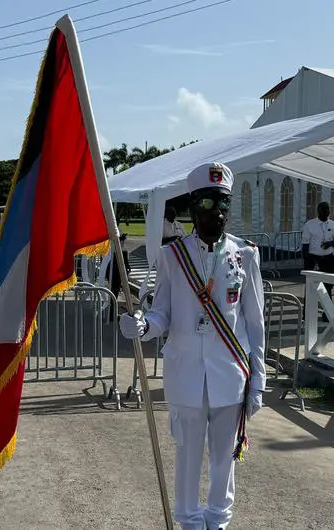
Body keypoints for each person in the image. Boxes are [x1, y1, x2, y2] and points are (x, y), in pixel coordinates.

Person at [118, 161, 266, 530]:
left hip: (229, 372)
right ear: (191, 207)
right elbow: (163, 313)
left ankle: (217, 520)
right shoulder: (172, 257)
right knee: (187, 454)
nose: (215, 212)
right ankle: (187, 520)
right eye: (206, 203)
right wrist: (144, 324)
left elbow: (255, 322)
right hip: (185, 372)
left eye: (222, 204)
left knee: (223, 459)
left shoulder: (245, 254)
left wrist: (259, 380)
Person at [302, 201, 334, 296]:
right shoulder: (310, 224)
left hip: (328, 258)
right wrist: (307, 263)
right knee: (310, 285)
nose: (326, 210)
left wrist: (331, 243)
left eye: (328, 208)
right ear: (318, 211)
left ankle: (327, 310)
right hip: (313, 258)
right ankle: (306, 310)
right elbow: (305, 245)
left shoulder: (333, 224)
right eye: (324, 208)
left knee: (328, 286)